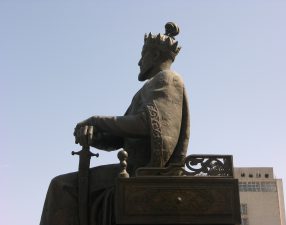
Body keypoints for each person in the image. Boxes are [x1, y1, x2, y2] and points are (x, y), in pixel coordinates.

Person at [40, 22, 190, 225]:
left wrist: (96, 121)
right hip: (133, 169)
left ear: (154, 56)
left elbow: (145, 125)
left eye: (142, 55)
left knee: (62, 186)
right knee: (62, 185)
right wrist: (94, 135)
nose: (139, 62)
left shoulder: (168, 79)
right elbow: (121, 136)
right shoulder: (147, 88)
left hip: (144, 172)